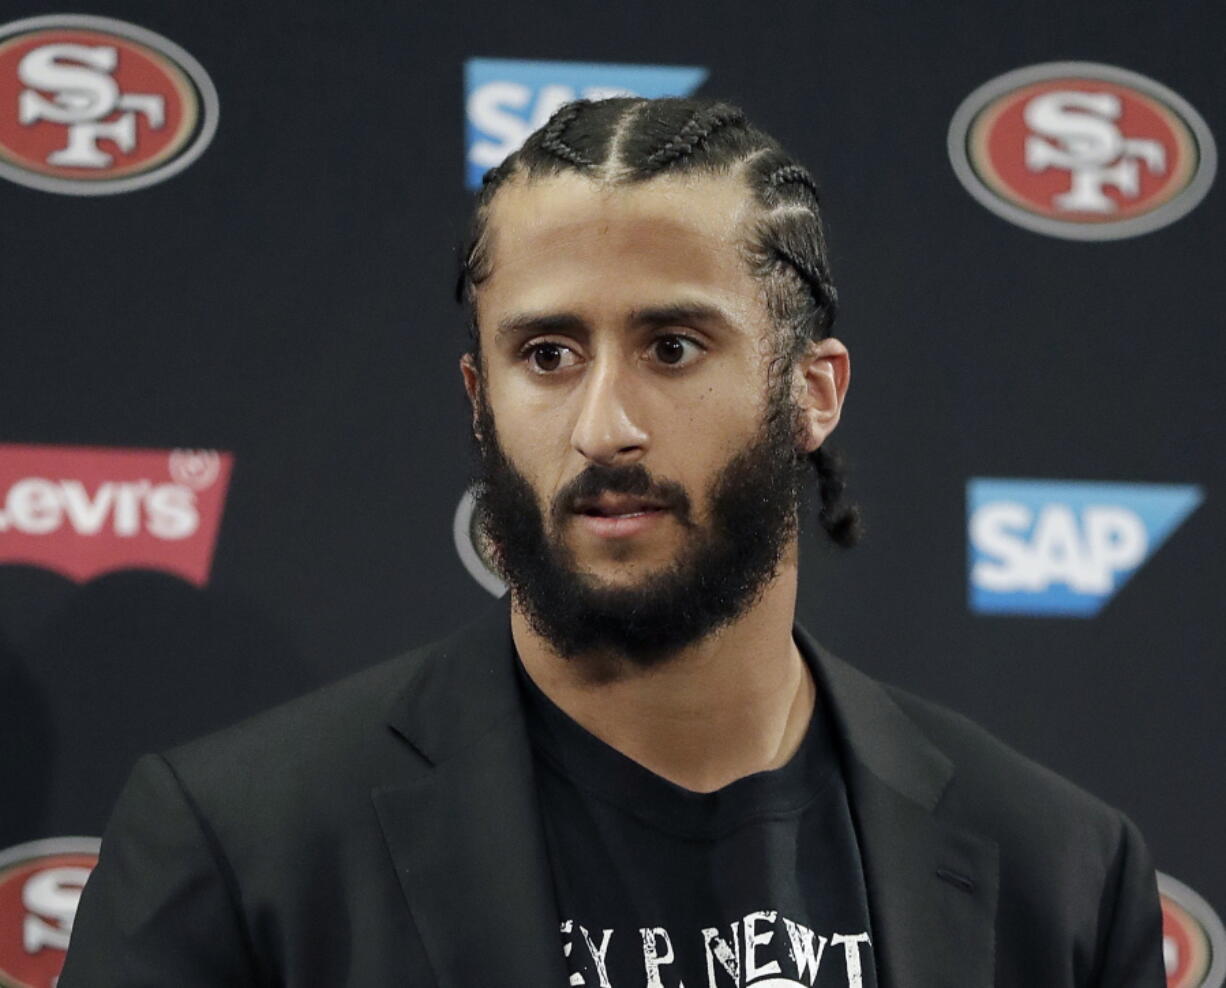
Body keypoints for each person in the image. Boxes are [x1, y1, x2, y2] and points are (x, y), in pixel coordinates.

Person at [60, 97, 1165, 987]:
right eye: (546, 354)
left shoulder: (1056, 874)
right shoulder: (242, 848)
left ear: (810, 392)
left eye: (673, 347)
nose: (602, 426)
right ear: (479, 395)